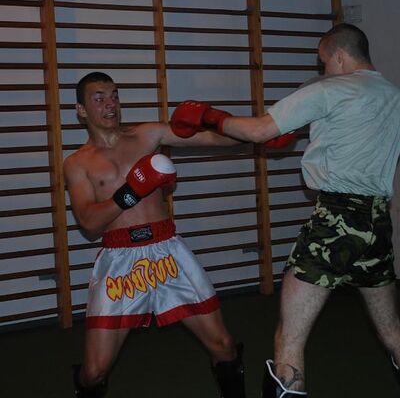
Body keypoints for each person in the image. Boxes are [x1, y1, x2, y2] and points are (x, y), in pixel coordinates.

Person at [169, 23, 400, 397]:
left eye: (325, 62)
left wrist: (209, 116)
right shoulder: (393, 94)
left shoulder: (330, 89)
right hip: (376, 224)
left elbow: (259, 131)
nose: (323, 70)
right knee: (392, 331)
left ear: (340, 56)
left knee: (289, 338)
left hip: (336, 221)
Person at [63, 71, 246, 398]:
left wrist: (217, 119)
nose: (110, 104)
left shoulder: (147, 134)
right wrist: (131, 191)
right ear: (81, 110)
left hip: (167, 251)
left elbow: (226, 140)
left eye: (114, 95)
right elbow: (88, 222)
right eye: (99, 98)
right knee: (94, 372)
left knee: (224, 345)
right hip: (120, 263)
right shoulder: (77, 163)